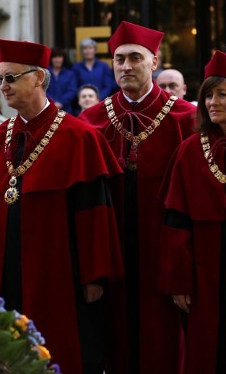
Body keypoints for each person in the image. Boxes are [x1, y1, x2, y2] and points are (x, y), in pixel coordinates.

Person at [0, 39, 124, 374]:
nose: (3, 86)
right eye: (0, 79)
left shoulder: (80, 138)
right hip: (4, 276)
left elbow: (94, 215)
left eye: (11, 78)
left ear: (38, 78)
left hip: (62, 277)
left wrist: (95, 276)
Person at [79, 21, 196, 374]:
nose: (126, 66)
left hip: (165, 250)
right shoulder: (92, 120)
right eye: (118, 59)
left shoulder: (186, 119)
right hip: (111, 249)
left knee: (165, 341)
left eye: (135, 58)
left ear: (154, 63)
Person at [159, 50, 226, 374]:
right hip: (204, 267)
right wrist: (179, 281)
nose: (212, 102)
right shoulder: (189, 151)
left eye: (222, 94)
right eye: (208, 95)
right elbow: (176, 221)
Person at [47, 47, 78, 113]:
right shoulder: (45, 73)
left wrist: (61, 103)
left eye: (60, 57)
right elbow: (42, 90)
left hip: (66, 109)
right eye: (54, 57)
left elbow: (72, 91)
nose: (57, 60)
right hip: (48, 108)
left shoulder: (70, 74)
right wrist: (53, 103)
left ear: (63, 58)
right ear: (50, 59)